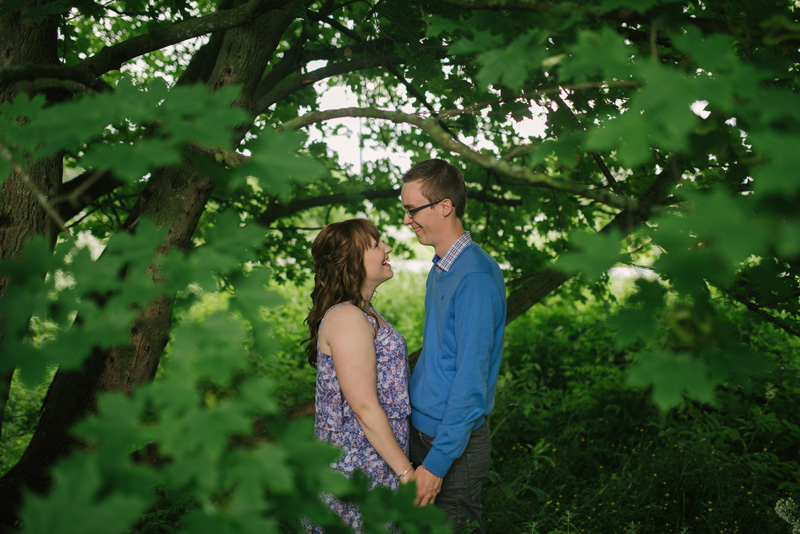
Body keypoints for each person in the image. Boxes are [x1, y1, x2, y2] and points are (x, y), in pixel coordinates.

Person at [400, 159, 507, 533]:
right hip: (423, 434)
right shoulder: (442, 267)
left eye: (412, 210)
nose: (406, 220)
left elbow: (470, 381)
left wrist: (437, 463)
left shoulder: (475, 276)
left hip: (451, 446)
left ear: (445, 206)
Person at [302, 218, 416, 533]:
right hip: (357, 469)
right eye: (376, 245)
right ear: (353, 261)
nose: (387, 248)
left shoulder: (362, 312)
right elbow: (364, 407)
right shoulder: (347, 317)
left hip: (375, 462)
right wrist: (406, 473)